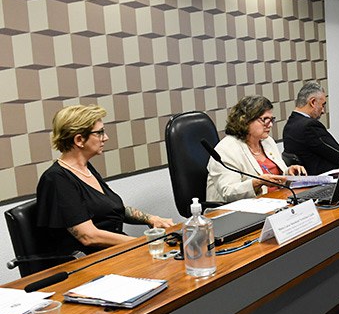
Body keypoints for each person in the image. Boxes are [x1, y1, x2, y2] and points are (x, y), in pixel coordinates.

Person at [35, 105, 174, 255]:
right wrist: (142, 243)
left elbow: (110, 206)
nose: (105, 138)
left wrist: (151, 219)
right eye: (100, 133)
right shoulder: (56, 179)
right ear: (79, 140)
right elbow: (88, 236)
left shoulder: (85, 169)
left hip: (113, 253)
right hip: (89, 262)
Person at [206, 95, 307, 203]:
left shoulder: (267, 141)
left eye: (271, 119)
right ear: (245, 120)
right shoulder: (225, 150)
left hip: (278, 201)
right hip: (240, 211)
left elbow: (274, 176)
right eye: (265, 119)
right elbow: (228, 193)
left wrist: (288, 172)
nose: (270, 125)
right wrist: (258, 182)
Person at [281, 81, 339, 175]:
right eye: (323, 105)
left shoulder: (289, 125)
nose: (323, 111)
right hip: (324, 181)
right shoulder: (309, 126)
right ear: (313, 102)